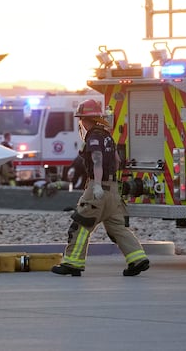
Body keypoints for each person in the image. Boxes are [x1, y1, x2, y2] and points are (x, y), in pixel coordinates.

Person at [51, 99, 150, 277]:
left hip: (99, 189)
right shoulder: (107, 136)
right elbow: (117, 161)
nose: (80, 122)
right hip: (113, 191)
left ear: (86, 119)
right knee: (117, 228)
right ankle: (138, 258)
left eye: (81, 119)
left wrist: (97, 184)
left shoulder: (94, 137)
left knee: (81, 225)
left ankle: (73, 263)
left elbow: (97, 159)